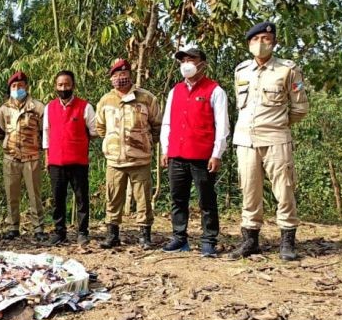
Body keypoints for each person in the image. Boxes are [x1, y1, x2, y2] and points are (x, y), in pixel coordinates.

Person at [230, 22, 309, 261]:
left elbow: (300, 108)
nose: (260, 43)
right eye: (255, 39)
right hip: (245, 139)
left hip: (276, 138)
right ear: (249, 44)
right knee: (249, 190)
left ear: (274, 43)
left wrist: (278, 124)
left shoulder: (287, 70)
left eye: (266, 39)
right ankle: (250, 240)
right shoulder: (241, 71)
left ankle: (287, 242)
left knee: (284, 190)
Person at [159, 49, 229, 257]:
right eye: (183, 60)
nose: (186, 63)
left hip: (202, 156)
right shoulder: (175, 90)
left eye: (191, 59)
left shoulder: (215, 90)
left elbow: (222, 125)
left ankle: (209, 240)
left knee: (206, 199)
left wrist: (217, 153)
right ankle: (179, 238)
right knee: (177, 198)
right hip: (177, 154)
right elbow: (167, 122)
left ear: (202, 64)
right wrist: (165, 149)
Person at [95, 59, 161, 250]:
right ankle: (112, 235)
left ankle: (144, 236)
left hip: (140, 159)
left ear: (130, 76)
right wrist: (112, 142)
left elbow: (157, 125)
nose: (119, 79)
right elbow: (100, 127)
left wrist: (146, 142)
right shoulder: (105, 100)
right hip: (115, 160)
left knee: (143, 199)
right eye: (115, 76)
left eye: (123, 75)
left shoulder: (147, 98)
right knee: (113, 198)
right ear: (111, 79)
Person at [43, 70, 98, 246]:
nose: (63, 88)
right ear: (55, 87)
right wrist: (47, 157)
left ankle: (82, 232)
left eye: (67, 84)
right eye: (60, 85)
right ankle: (60, 232)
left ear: (73, 85)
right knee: (58, 198)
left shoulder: (85, 107)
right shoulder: (49, 107)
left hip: (78, 162)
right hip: (56, 162)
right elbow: (46, 133)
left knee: (81, 198)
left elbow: (95, 131)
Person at [0, 71, 47, 241]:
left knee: (34, 194)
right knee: (12, 194)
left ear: (26, 87)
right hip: (11, 157)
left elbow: (44, 131)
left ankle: (38, 228)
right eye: (14, 86)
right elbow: (1, 131)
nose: (18, 89)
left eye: (21, 86)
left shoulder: (38, 107)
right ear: (10, 88)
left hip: (31, 156)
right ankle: (13, 226)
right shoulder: (3, 109)